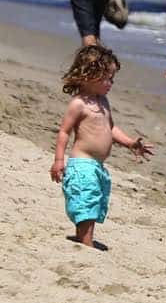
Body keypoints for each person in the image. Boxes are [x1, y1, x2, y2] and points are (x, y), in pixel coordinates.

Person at [50, 44, 154, 248]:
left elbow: (111, 128)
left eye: (112, 78)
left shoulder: (103, 101)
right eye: (107, 78)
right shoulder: (79, 104)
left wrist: (130, 143)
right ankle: (86, 242)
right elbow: (64, 132)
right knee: (86, 203)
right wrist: (59, 160)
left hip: (97, 166)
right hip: (82, 165)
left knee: (94, 203)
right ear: (89, 75)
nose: (111, 83)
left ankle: (83, 238)